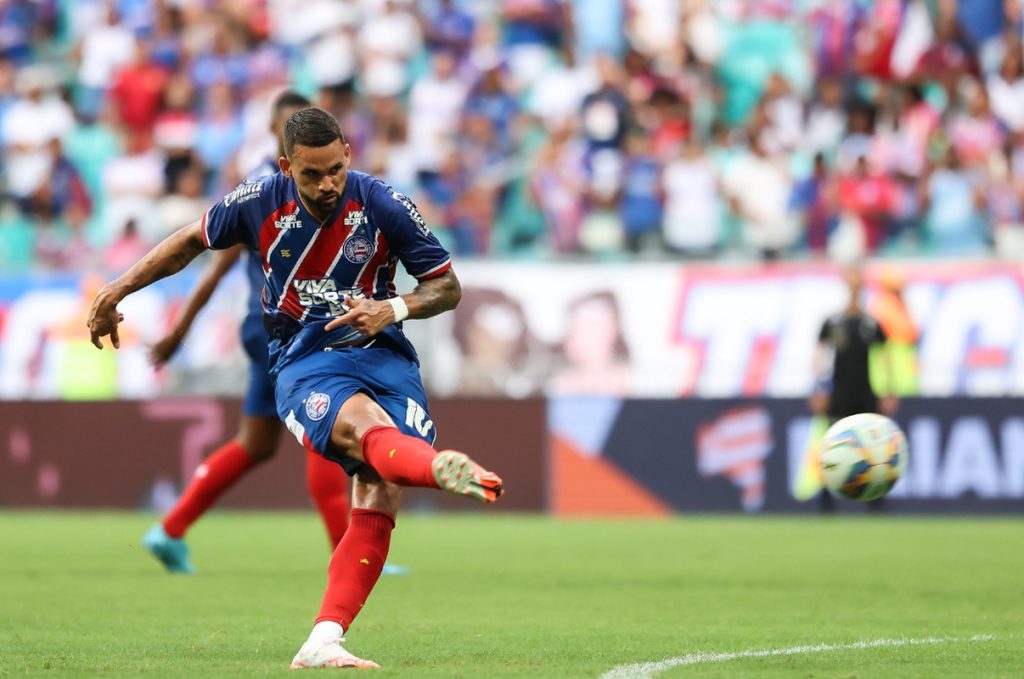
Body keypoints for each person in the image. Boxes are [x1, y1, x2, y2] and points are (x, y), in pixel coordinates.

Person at [86, 107, 504, 669]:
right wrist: (115, 291)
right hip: (305, 359)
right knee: (366, 434)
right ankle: (439, 469)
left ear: (348, 156)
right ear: (287, 167)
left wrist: (395, 306)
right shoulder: (258, 200)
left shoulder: (381, 202)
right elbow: (188, 242)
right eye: (312, 174)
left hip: (385, 353)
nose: (327, 184)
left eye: (335, 169)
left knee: (380, 486)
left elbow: (446, 287)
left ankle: (324, 638)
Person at [142, 91, 355, 574]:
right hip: (282, 328)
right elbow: (216, 265)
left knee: (256, 443)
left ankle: (169, 529)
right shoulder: (264, 195)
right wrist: (179, 330)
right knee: (324, 417)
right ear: (282, 142)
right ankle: (349, 552)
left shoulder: (314, 186)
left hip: (270, 329)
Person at [795, 265, 897, 507]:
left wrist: (890, 390)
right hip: (838, 392)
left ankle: (876, 502)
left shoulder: (871, 323)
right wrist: (818, 388)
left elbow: (885, 356)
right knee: (831, 444)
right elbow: (819, 356)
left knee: (875, 447)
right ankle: (826, 501)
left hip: (865, 392)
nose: (854, 283)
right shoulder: (833, 322)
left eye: (857, 278)